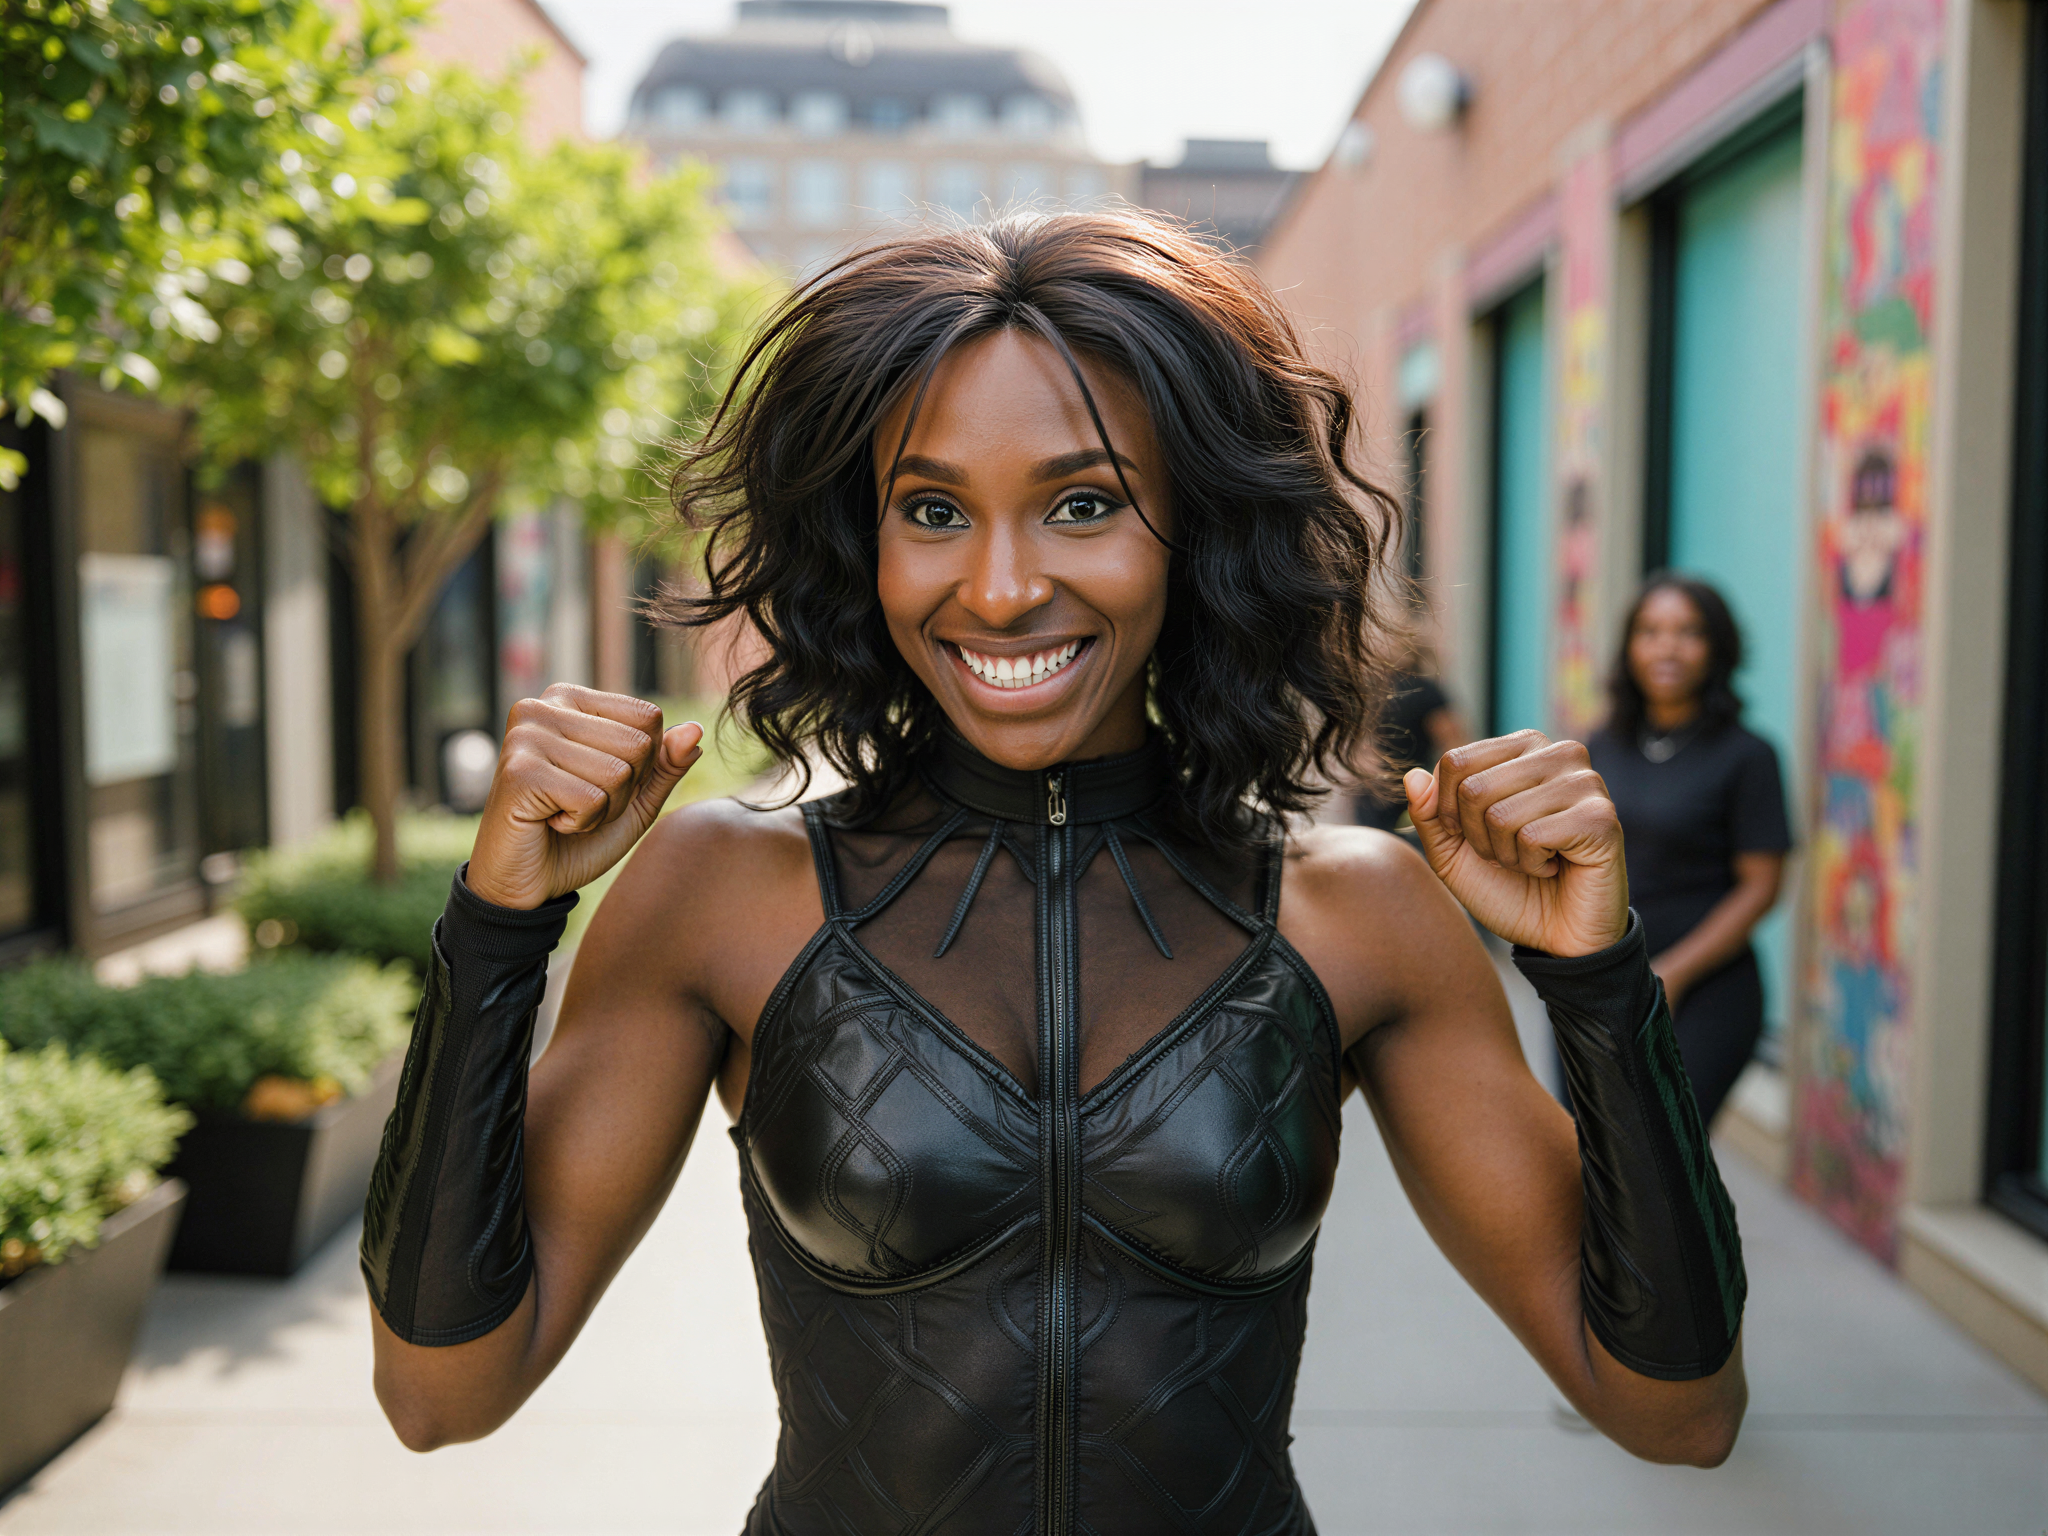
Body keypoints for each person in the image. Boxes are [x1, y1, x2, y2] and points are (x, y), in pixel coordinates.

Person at [359, 211, 1748, 1533]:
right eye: (934, 509)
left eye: (1082, 504)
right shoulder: (724, 893)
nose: (1006, 585)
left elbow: (1674, 1412)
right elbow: (441, 1392)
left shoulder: (1358, 914)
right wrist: (497, 932)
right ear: (867, 543)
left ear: (1197, 530)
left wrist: (1599, 983)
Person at [1587, 574, 1791, 1129]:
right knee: (1592, 1153)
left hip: (1706, 988)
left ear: (1716, 648)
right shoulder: (1598, 746)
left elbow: (1762, 886)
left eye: (1688, 632)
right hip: (1607, 985)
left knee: (1669, 1161)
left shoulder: (1748, 756)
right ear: (1630, 647)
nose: (1667, 647)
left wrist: (1673, 973)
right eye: (1650, 631)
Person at [1354, 664, 1470, 830]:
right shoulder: (1365, 689)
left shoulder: (1422, 690)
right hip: (1374, 804)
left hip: (1412, 803)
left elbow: (1455, 746)